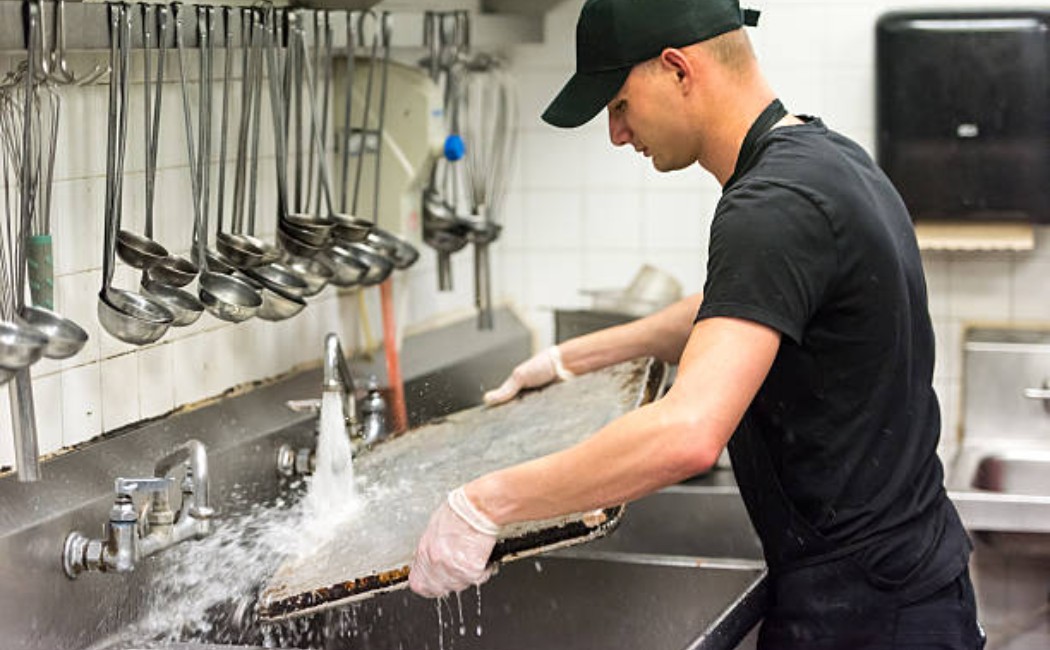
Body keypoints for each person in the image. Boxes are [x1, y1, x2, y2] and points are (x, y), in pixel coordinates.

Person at [409, 0, 985, 647]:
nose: (617, 134)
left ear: (678, 69)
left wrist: (486, 503)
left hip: (863, 611)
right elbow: (741, 308)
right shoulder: (824, 158)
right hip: (902, 582)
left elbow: (687, 436)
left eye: (619, 105)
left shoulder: (770, 204)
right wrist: (577, 356)